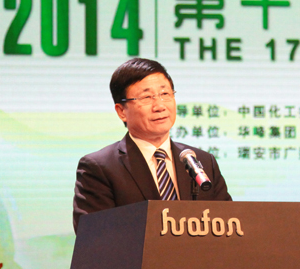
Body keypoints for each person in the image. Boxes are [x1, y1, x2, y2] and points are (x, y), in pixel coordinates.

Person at [72, 58, 231, 233]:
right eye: (147, 97)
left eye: (165, 94)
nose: (160, 106)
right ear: (122, 111)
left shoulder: (202, 162)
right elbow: (94, 237)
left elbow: (228, 226)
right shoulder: (100, 168)